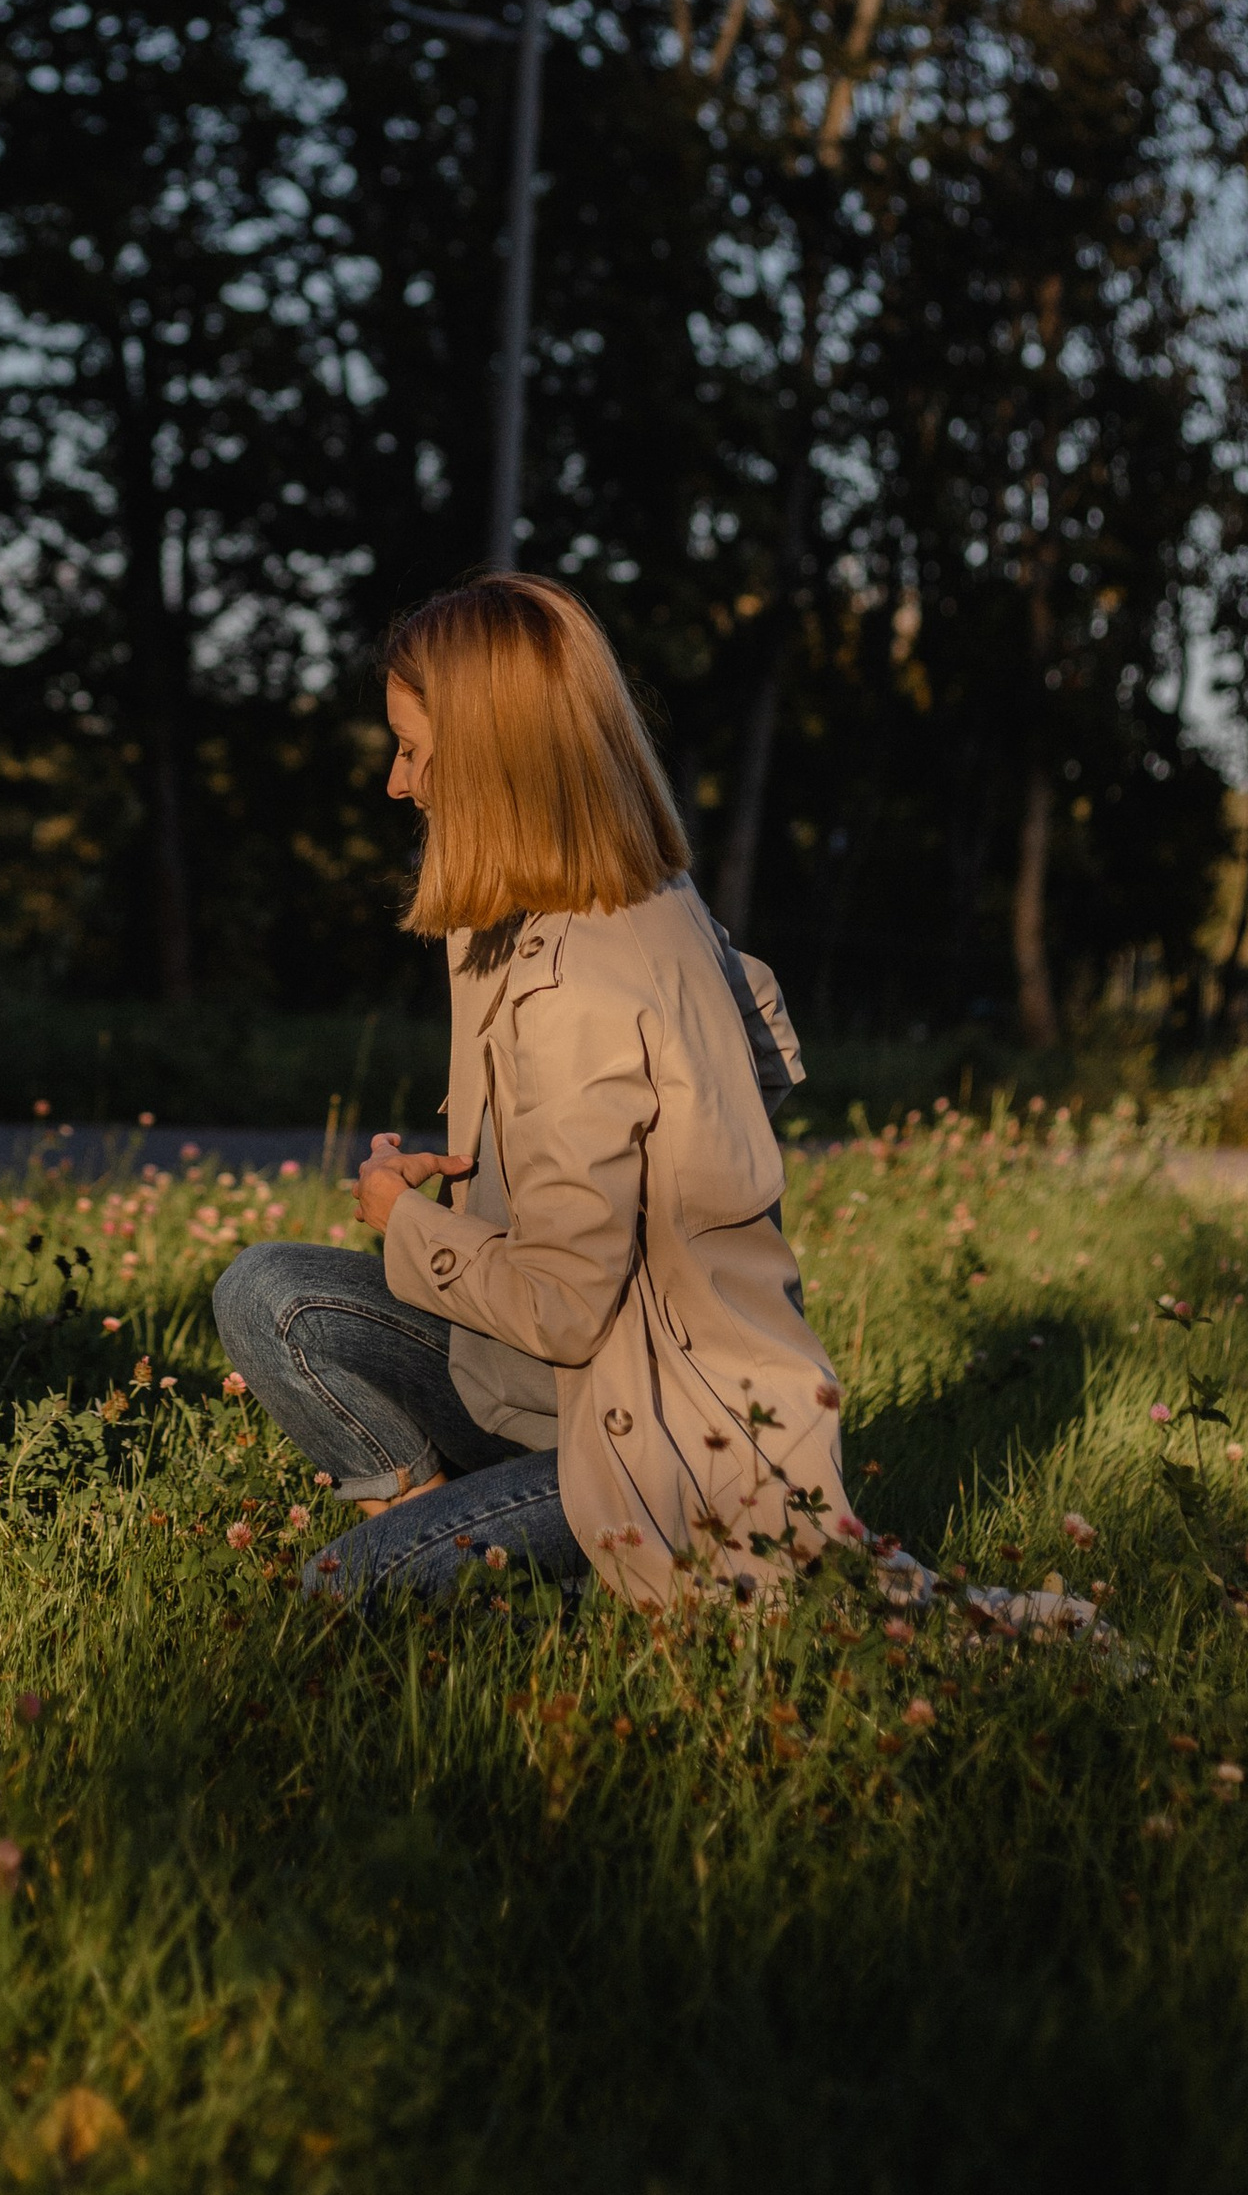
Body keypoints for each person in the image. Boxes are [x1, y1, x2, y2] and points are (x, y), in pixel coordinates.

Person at [215, 573, 850, 1612]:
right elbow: (760, 1029)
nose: (395, 782)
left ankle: (575, 1580)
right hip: (566, 1394)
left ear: (495, 759)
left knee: (334, 1595)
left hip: (663, 1444)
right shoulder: (634, 895)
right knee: (267, 1293)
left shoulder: (574, 983)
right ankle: (479, 1519)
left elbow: (561, 1307)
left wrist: (405, 1221)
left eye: (413, 750)